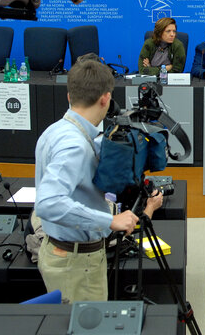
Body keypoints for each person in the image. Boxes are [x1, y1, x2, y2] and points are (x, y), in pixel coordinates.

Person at [34, 57, 163, 302]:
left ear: (69, 96)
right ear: (106, 98)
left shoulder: (56, 131)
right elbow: (48, 203)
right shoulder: (74, 146)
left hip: (65, 252)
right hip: (76, 262)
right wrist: (110, 220)